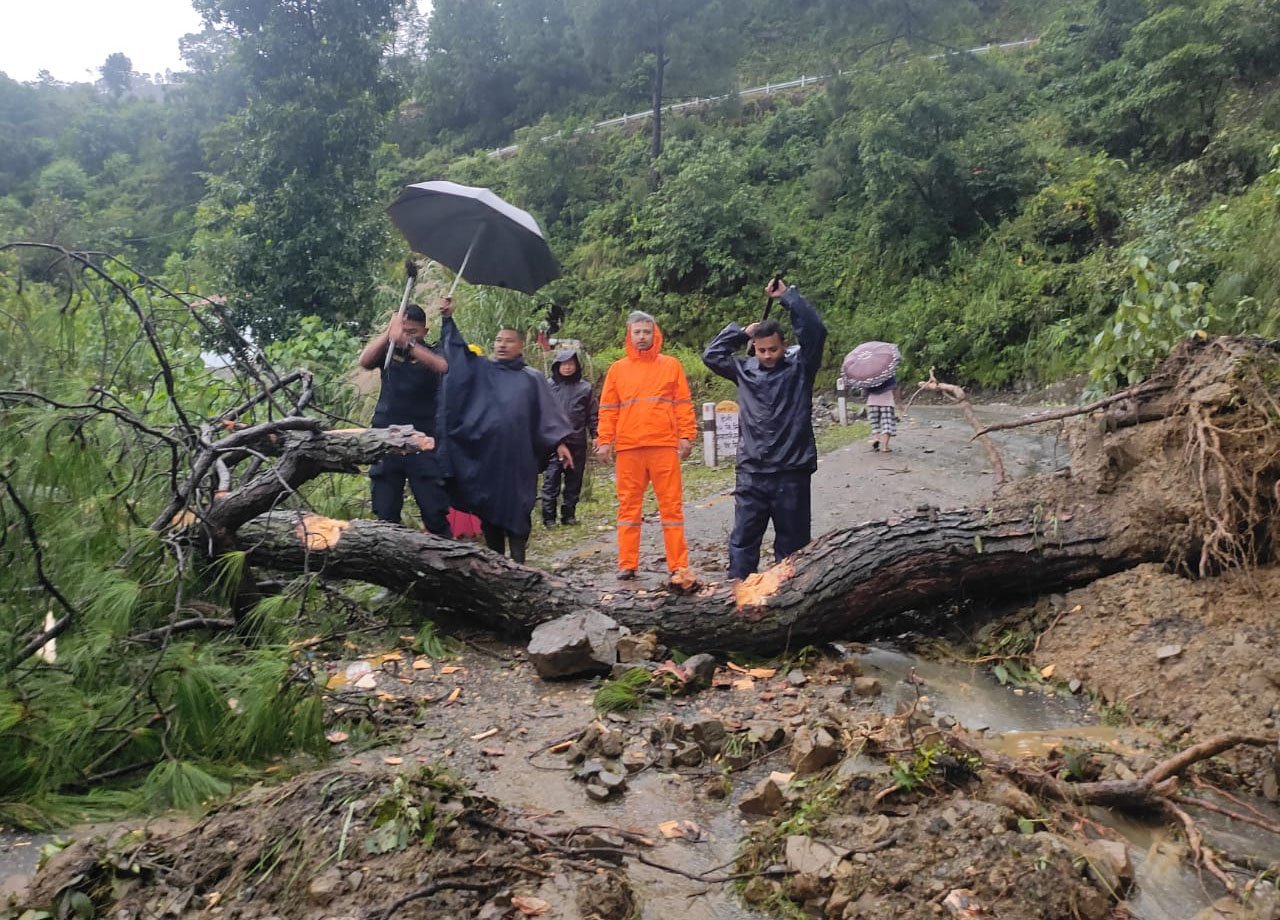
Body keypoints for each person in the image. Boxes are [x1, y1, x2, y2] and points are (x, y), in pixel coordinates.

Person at [701, 278, 828, 582]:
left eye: (773, 349)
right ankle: (737, 596)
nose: (768, 355)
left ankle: (791, 599)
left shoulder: (800, 367)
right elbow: (712, 355)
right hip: (752, 472)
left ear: (784, 345)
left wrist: (788, 297)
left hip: (791, 471)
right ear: (753, 349)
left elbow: (815, 332)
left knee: (793, 547)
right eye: (761, 350)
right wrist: (740, 332)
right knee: (743, 541)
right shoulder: (743, 370)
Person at [435, 299, 574, 564]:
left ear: (520, 345)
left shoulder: (531, 378)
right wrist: (448, 320)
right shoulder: (482, 371)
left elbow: (547, 415)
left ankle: (519, 564)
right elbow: (458, 358)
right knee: (489, 509)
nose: (501, 344)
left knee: (519, 508)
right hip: (486, 457)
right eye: (498, 340)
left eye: (509, 340)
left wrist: (560, 444)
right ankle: (497, 563)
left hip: (518, 459)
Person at [595, 311, 697, 582]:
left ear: (655, 334)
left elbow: (683, 404)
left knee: (671, 508)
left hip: (664, 446)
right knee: (628, 508)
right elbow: (608, 409)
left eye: (646, 332)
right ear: (629, 335)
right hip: (629, 448)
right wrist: (605, 441)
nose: (641, 337)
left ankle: (678, 565)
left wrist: (686, 436)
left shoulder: (671, 365)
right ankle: (627, 564)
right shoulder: (617, 369)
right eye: (637, 332)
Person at [357, 304, 451, 537]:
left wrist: (407, 343)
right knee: (385, 512)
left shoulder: (432, 352)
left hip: (423, 441)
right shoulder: (388, 354)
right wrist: (389, 334)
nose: (408, 335)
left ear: (425, 331)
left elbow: (442, 366)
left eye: (414, 332)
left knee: (434, 511)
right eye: (405, 330)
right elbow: (365, 361)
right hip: (386, 438)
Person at [541, 346, 598, 527]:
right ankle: (549, 518)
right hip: (554, 442)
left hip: (577, 440)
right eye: (563, 364)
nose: (567, 367)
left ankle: (569, 515)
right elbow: (542, 413)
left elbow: (593, 414)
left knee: (574, 481)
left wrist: (596, 435)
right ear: (557, 365)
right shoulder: (548, 386)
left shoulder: (585, 388)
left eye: (571, 364)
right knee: (551, 480)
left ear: (576, 366)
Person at [866, 376, 899, 452]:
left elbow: (866, 390)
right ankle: (885, 447)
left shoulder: (870, 374)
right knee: (887, 424)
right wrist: (898, 401)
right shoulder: (888, 373)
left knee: (875, 423)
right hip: (887, 402)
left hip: (872, 401)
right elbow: (895, 388)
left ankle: (876, 439)